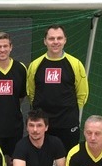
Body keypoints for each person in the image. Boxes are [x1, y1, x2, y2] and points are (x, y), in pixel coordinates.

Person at [26, 24, 88, 152]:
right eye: (51, 38)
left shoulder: (75, 64)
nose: (55, 42)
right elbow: (31, 92)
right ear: (45, 41)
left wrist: (70, 113)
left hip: (67, 123)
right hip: (43, 124)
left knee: (68, 159)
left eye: (59, 38)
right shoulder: (35, 65)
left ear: (65, 40)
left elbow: (82, 94)